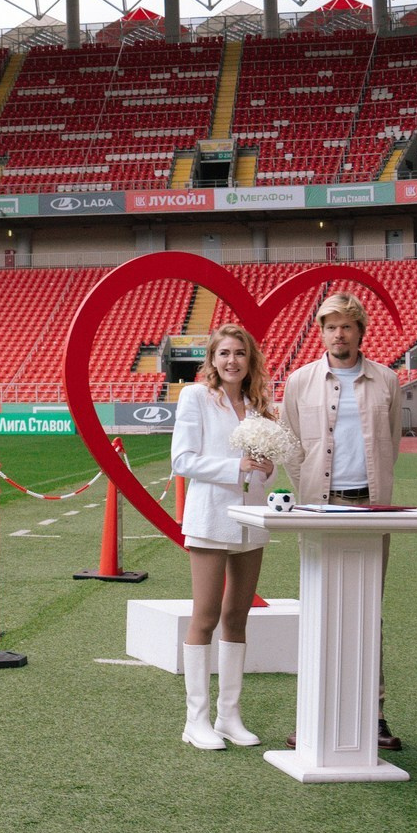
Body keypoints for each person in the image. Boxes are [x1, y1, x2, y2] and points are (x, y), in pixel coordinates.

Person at [275, 290, 405, 752]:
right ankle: (313, 711)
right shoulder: (299, 382)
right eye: (330, 326)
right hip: (319, 506)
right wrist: (310, 489)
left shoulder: (387, 380)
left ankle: (375, 715)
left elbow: (391, 441)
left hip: (370, 506)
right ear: (322, 332)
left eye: (346, 325)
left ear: (360, 330)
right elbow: (290, 445)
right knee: (319, 607)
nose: (338, 333)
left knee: (368, 609)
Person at [167, 322, 277, 751]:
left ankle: (229, 715)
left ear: (250, 361)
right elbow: (182, 460)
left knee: (238, 616)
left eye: (240, 353)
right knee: (206, 615)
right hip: (210, 516)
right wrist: (238, 468)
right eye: (224, 353)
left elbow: (266, 463)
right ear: (212, 360)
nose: (232, 361)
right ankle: (196, 720)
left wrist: (268, 469)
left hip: (252, 518)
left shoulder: (260, 405)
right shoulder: (196, 397)